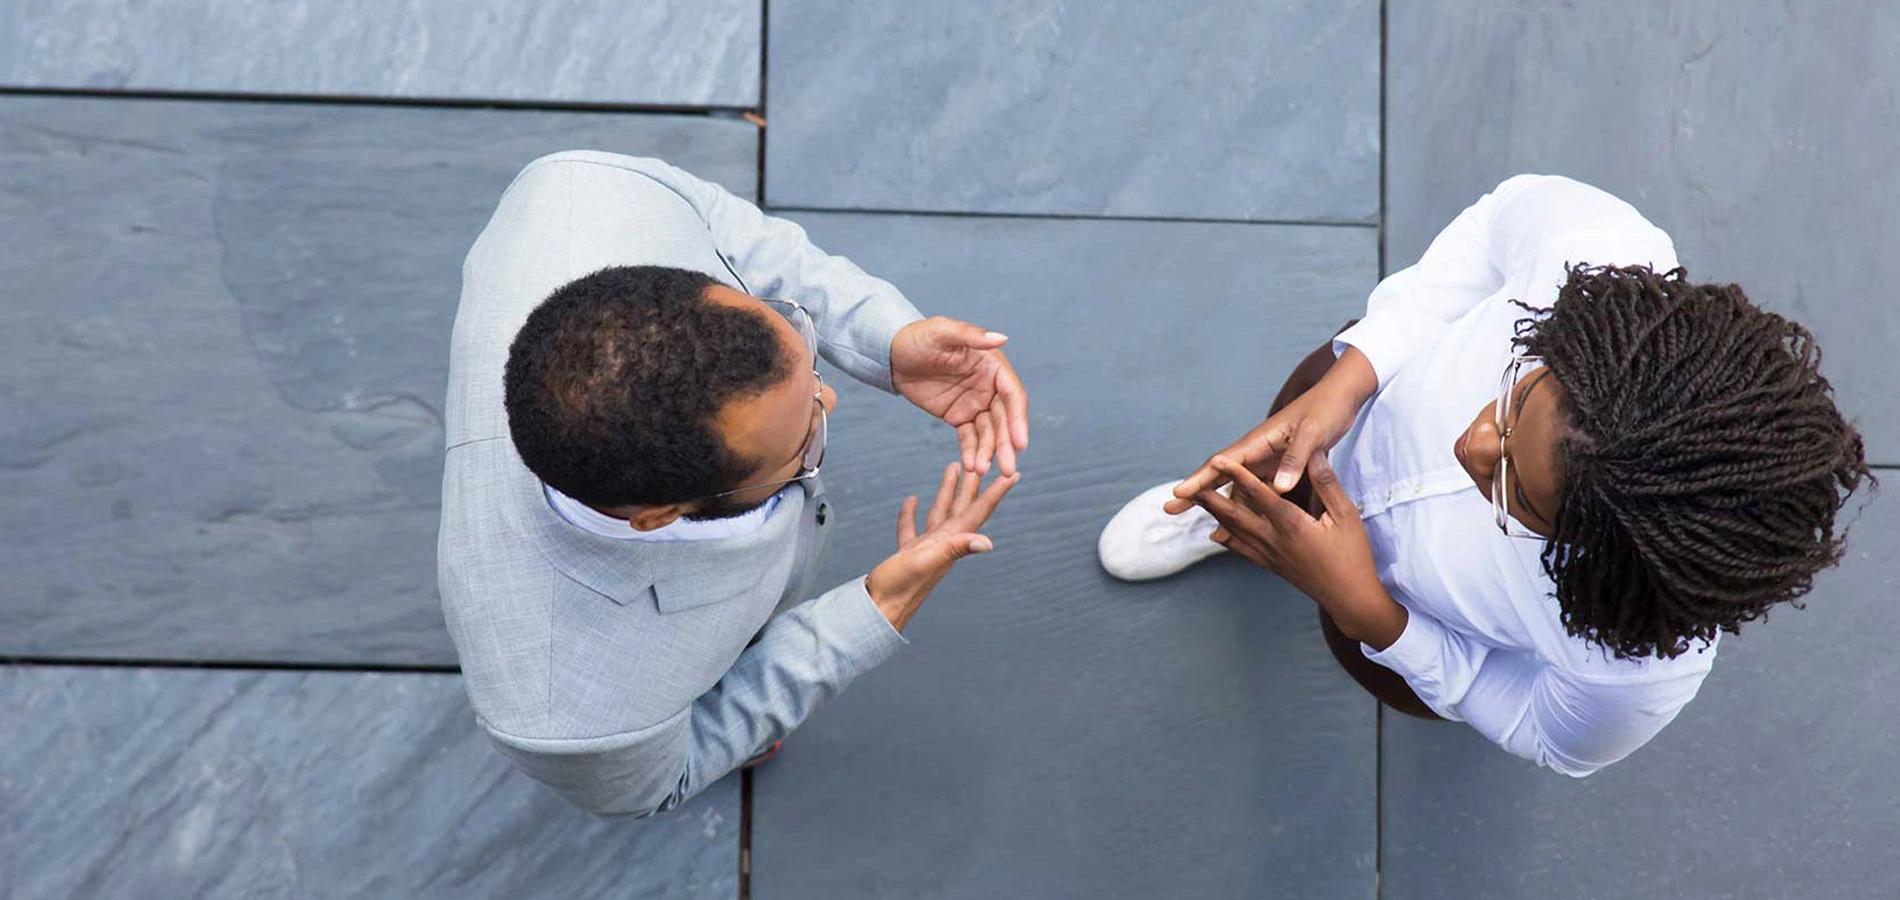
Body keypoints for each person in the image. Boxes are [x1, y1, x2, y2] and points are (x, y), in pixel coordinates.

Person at [1098, 174, 1871, 776]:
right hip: (1365, 401)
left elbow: (1543, 730)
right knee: (1284, 425)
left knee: (1355, 647)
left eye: (1512, 496)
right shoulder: (1601, 247)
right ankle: (1233, 514)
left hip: (1403, 612)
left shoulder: (1635, 672)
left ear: (1599, 555)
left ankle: (1270, 539)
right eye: (1516, 394)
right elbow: (1495, 226)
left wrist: (1371, 615)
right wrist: (1351, 380)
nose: (1471, 444)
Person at [439, 152, 1027, 816]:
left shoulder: (589, 188)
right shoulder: (572, 718)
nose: (829, 399)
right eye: (800, 441)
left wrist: (886, 338)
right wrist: (871, 612)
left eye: (805, 372)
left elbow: (739, 237)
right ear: (659, 515)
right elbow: (671, 775)